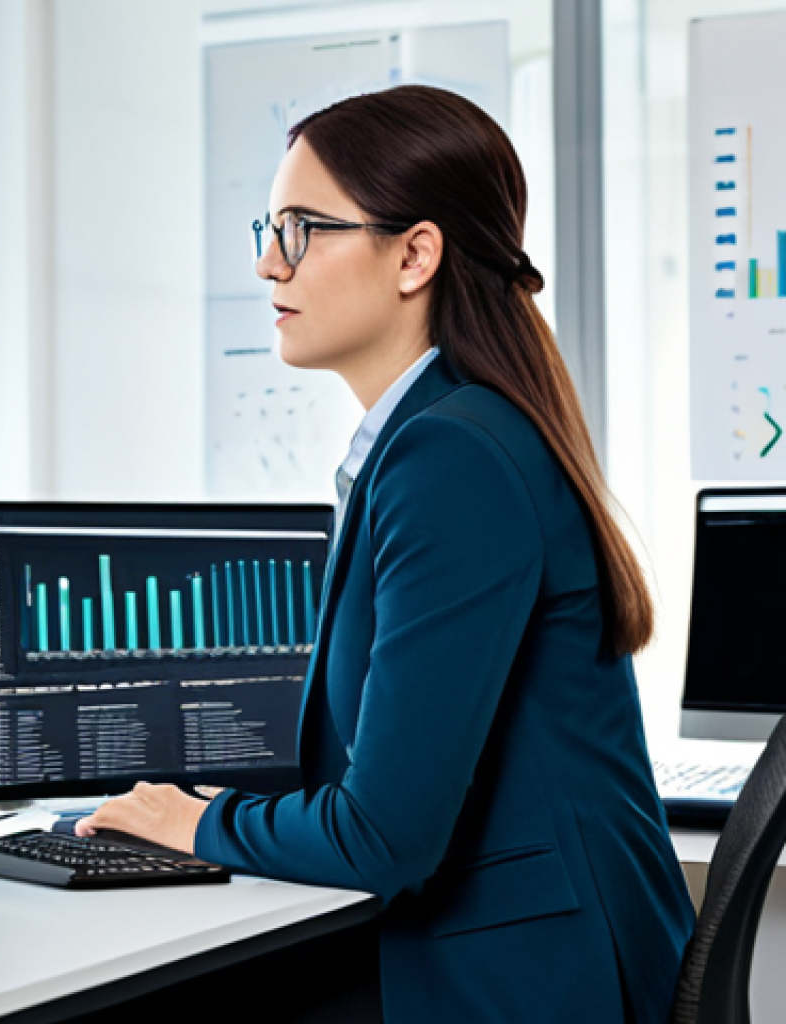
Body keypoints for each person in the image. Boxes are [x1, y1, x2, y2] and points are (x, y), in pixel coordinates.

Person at [76, 85, 695, 1022]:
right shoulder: (445, 434)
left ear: (415, 255)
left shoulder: (453, 457)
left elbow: (383, 837)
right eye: (267, 228)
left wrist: (197, 822)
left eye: (300, 230)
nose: (265, 263)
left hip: (528, 979)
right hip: (522, 946)